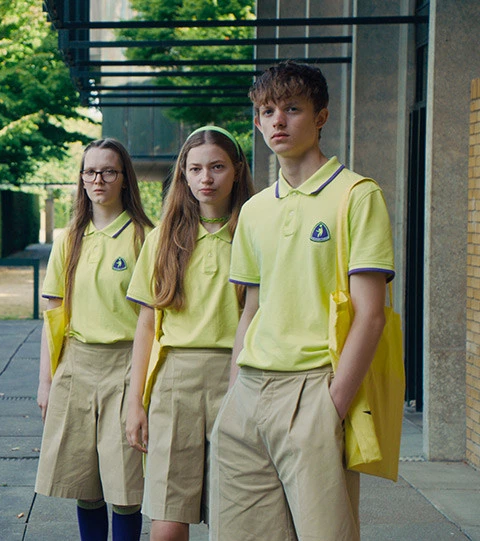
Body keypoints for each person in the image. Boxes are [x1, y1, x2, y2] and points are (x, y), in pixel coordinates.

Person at [209, 61, 394, 540]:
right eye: (267, 111)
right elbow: (251, 309)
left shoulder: (356, 195)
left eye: (292, 109)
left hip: (314, 388)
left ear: (321, 117)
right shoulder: (253, 210)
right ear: (257, 121)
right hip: (248, 393)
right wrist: (234, 392)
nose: (278, 121)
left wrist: (333, 405)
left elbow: (372, 315)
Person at [124, 126, 254, 541]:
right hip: (174, 381)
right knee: (167, 519)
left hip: (240, 376)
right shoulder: (163, 237)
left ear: (237, 170)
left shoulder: (255, 231)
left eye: (217, 167)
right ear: (183, 173)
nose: (206, 178)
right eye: (195, 169)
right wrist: (135, 401)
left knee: (236, 518)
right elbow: (147, 324)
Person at [35, 138, 154, 541]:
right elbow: (53, 314)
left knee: (125, 488)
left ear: (124, 179)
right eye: (90, 171)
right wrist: (46, 380)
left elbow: (155, 318)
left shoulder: (144, 237)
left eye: (108, 171)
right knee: (84, 486)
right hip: (77, 366)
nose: (98, 179)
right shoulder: (70, 238)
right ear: (81, 179)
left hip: (126, 367)